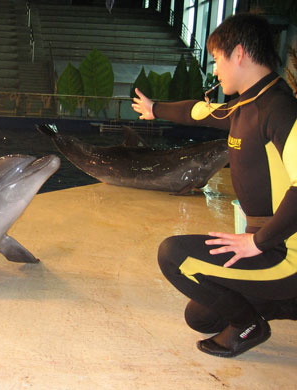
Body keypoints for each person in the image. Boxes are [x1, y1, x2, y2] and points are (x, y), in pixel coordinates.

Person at [131, 13, 297, 358]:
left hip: (285, 251)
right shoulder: (246, 105)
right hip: (265, 242)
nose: (216, 70)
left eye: (218, 59)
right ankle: (285, 304)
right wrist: (154, 108)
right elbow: (199, 112)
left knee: (174, 255)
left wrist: (260, 241)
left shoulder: (279, 108)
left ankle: (251, 326)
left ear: (239, 54)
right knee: (201, 316)